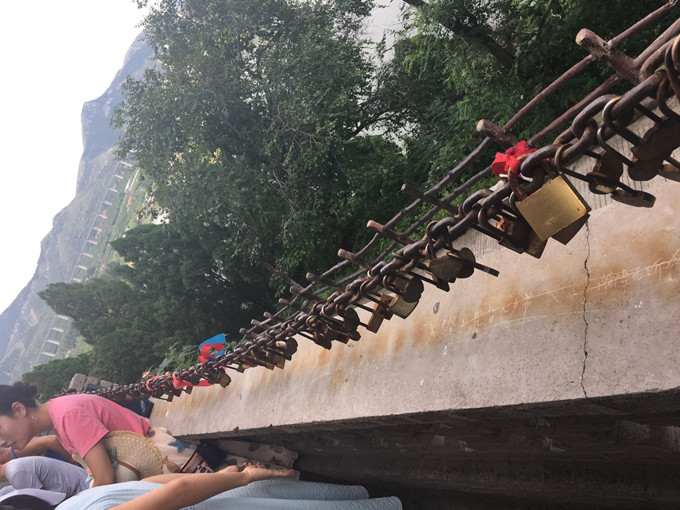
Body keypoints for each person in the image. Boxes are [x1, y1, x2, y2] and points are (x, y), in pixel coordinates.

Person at [0, 382, 205, 487]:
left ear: (19, 409)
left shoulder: (66, 416)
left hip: (167, 464)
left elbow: (105, 478)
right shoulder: (58, 416)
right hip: (160, 463)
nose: (1, 442)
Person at [0, 464, 402, 510]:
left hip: (210, 503)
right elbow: (152, 483)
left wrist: (241, 476)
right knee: (309, 500)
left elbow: (174, 494)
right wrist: (230, 478)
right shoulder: (72, 503)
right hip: (216, 491)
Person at [0, 456, 87, 498]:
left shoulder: (16, 474)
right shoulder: (13, 467)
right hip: (83, 487)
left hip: (85, 491)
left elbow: (39, 503)